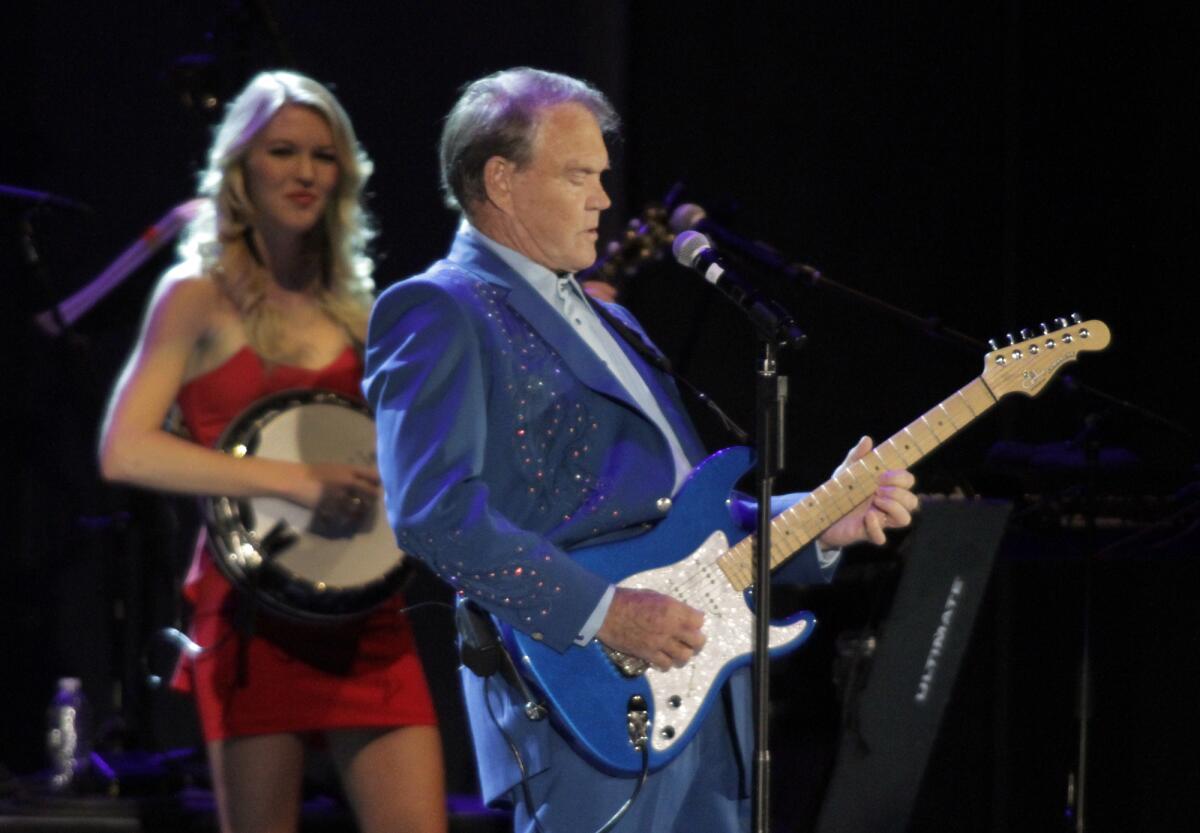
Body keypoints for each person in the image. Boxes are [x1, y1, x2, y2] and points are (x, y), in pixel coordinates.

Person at [362, 67, 918, 833]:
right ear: (501, 179)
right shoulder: (439, 307)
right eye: (578, 175)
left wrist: (819, 521)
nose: (601, 199)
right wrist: (606, 613)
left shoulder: (613, 319)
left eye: (601, 176)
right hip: (586, 702)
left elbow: (691, 522)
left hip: (703, 694)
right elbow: (433, 514)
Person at [99, 70, 446, 833]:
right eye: (283, 151)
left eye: (324, 156)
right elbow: (124, 450)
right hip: (253, 616)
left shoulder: (359, 306)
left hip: (369, 617)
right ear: (240, 170)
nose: (305, 173)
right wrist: (294, 481)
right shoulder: (194, 295)